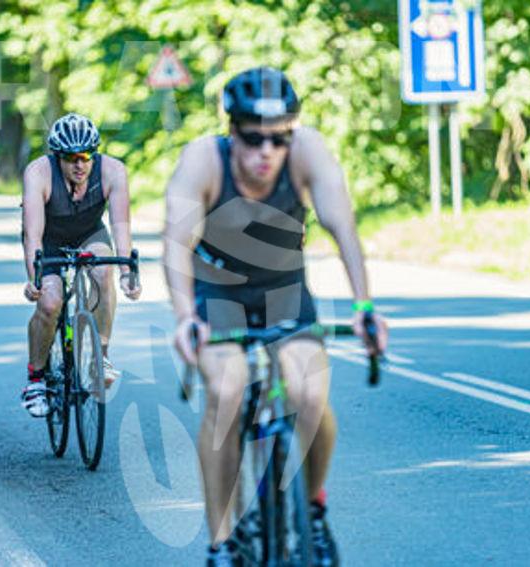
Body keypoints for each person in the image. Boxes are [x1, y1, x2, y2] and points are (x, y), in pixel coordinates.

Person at [162, 67, 388, 566]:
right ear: (232, 131)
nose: (267, 151)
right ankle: (222, 542)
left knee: (310, 393)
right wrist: (185, 318)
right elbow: (176, 244)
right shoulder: (203, 160)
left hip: (283, 288)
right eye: (253, 138)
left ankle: (313, 510)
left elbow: (342, 227)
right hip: (218, 290)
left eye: (279, 138)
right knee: (227, 392)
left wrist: (364, 306)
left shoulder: (308, 151)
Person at [21, 113, 142, 417]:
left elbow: (120, 227)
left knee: (104, 271)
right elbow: (33, 234)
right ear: (57, 156)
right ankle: (36, 379)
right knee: (50, 302)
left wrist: (127, 273)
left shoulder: (113, 171)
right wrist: (35, 279)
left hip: (89, 233)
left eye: (86, 156)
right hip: (49, 237)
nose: (79, 165)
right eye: (71, 158)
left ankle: (101, 357)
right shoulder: (38, 173)